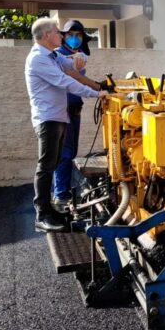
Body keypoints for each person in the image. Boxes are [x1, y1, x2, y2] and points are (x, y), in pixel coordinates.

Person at [24, 17, 107, 232]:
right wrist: (96, 93)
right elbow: (66, 82)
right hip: (48, 119)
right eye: (57, 32)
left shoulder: (52, 56)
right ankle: (41, 216)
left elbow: (73, 65)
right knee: (46, 166)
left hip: (58, 117)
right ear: (45, 36)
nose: (62, 36)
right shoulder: (38, 59)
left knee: (54, 162)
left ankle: (51, 209)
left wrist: (80, 58)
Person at [52, 20, 95, 212]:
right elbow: (74, 74)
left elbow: (81, 64)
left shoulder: (79, 56)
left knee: (70, 153)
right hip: (64, 110)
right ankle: (61, 196)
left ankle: (65, 191)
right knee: (65, 154)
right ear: (64, 36)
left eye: (78, 35)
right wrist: (98, 88)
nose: (75, 38)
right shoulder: (60, 56)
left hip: (75, 109)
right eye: (71, 34)